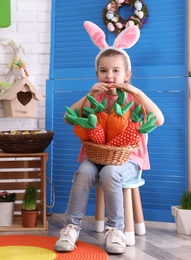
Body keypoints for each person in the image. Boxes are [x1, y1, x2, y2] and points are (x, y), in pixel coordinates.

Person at [54, 21, 165, 255]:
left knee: (110, 173)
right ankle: (71, 227)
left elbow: (159, 120)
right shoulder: (96, 97)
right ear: (97, 74)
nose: (110, 76)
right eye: (104, 71)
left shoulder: (133, 99)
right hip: (96, 156)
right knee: (84, 172)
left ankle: (115, 230)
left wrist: (137, 92)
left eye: (116, 71)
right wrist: (89, 95)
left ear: (127, 74)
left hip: (128, 160)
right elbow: (67, 118)